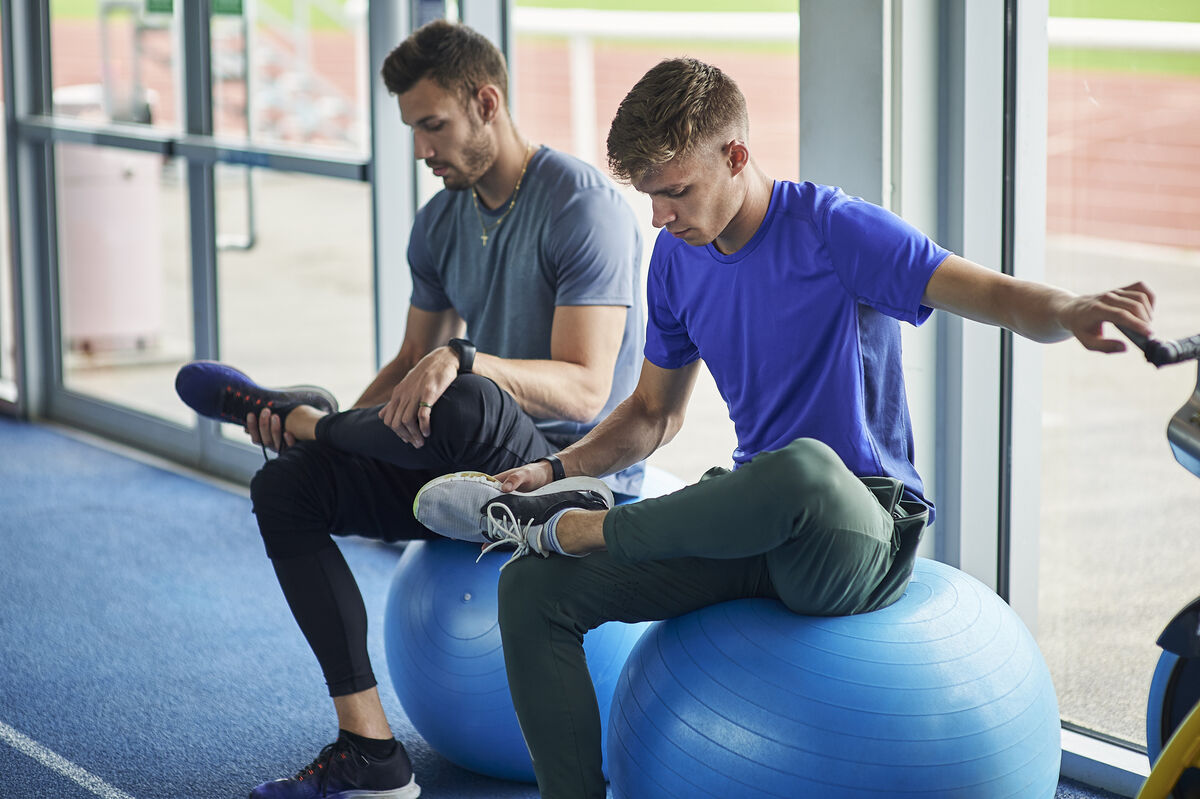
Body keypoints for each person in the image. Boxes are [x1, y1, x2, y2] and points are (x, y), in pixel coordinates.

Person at [412, 57, 1157, 799]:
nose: (660, 218)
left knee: (798, 466)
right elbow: (651, 413)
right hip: (753, 519)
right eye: (650, 197)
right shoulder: (675, 260)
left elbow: (989, 292)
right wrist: (552, 471)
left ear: (735, 156)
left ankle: (580, 528)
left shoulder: (835, 230)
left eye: (676, 192)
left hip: (856, 524)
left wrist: (1067, 310)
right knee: (531, 590)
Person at [173, 20, 646, 799]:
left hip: (571, 483)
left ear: (487, 102)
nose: (423, 150)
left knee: (460, 389)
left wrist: (461, 359)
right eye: (413, 130)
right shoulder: (439, 223)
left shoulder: (578, 205)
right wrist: (329, 453)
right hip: (471, 484)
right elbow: (406, 366)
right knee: (286, 490)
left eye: (435, 125)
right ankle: (370, 752)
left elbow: (588, 388)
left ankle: (305, 417)